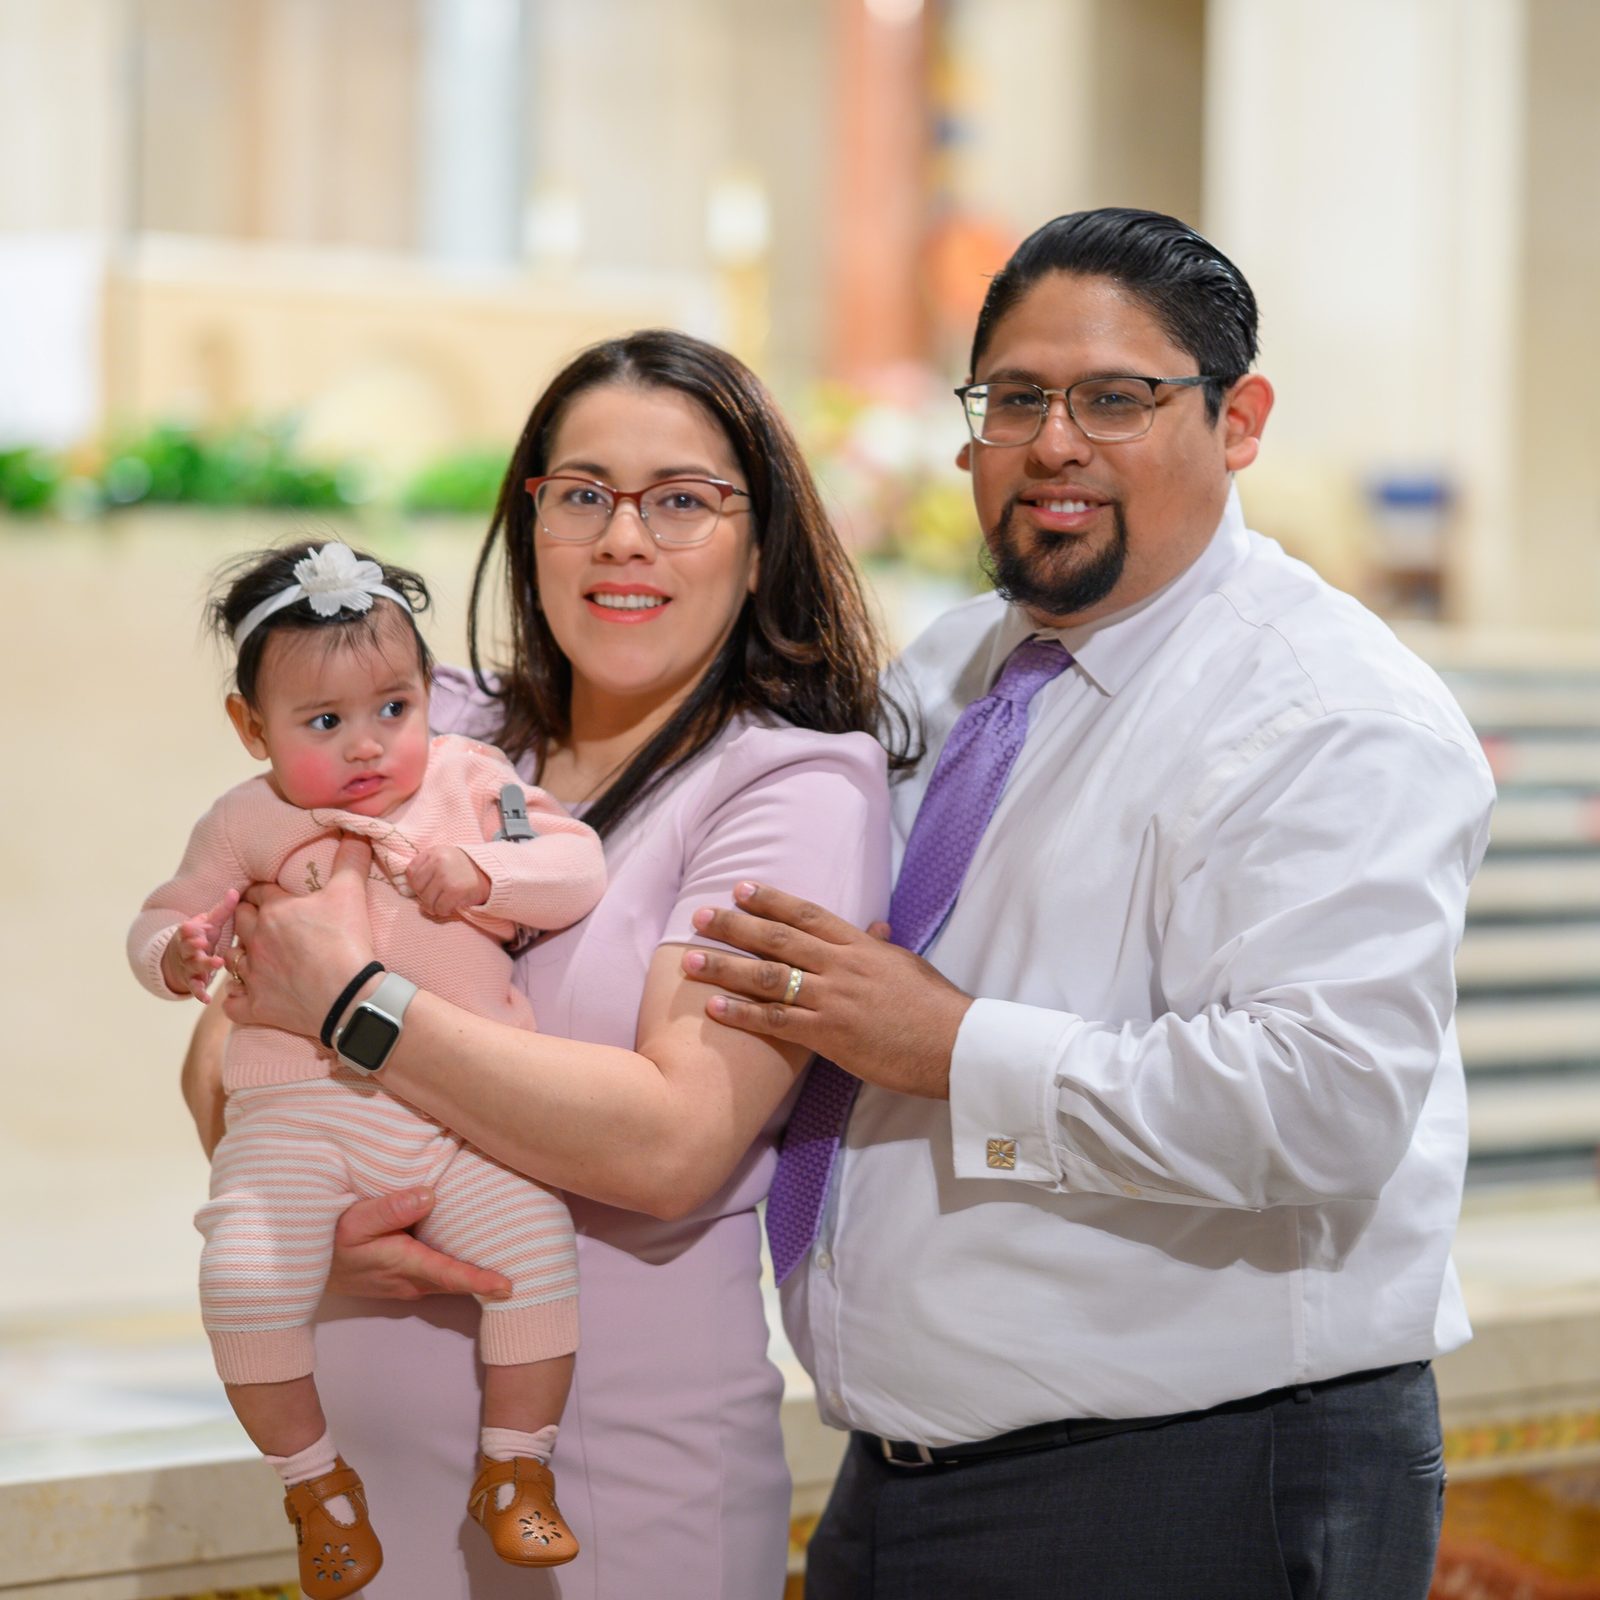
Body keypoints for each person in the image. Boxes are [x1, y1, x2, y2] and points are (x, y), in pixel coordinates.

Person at [680, 208, 1496, 1599]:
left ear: (1239, 421)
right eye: (1016, 398)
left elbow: (1327, 1102)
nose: (1054, 441)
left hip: (1197, 1482)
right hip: (914, 1475)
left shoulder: (1326, 713)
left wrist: (949, 1046)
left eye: (1117, 399)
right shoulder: (962, 664)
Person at [184, 329, 903, 1598]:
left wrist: (353, 1006)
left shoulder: (787, 785)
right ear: (530, 526)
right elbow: (226, 1051)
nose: (624, 537)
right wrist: (331, 1224)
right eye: (582, 494)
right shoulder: (432, 724)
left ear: (759, 543)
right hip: (364, 1491)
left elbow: (670, 1141)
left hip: (613, 1494)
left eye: (682, 500)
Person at [132, 541, 608, 1594]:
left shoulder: (473, 781)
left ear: (430, 693)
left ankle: (516, 1467)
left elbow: (576, 866)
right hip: (295, 1113)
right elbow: (163, 915)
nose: (367, 747)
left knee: (535, 1251)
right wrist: (176, 952)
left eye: (394, 708)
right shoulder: (244, 820)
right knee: (243, 1273)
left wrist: (484, 868)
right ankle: (314, 1483)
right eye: (322, 723)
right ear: (249, 728)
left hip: (458, 1113)